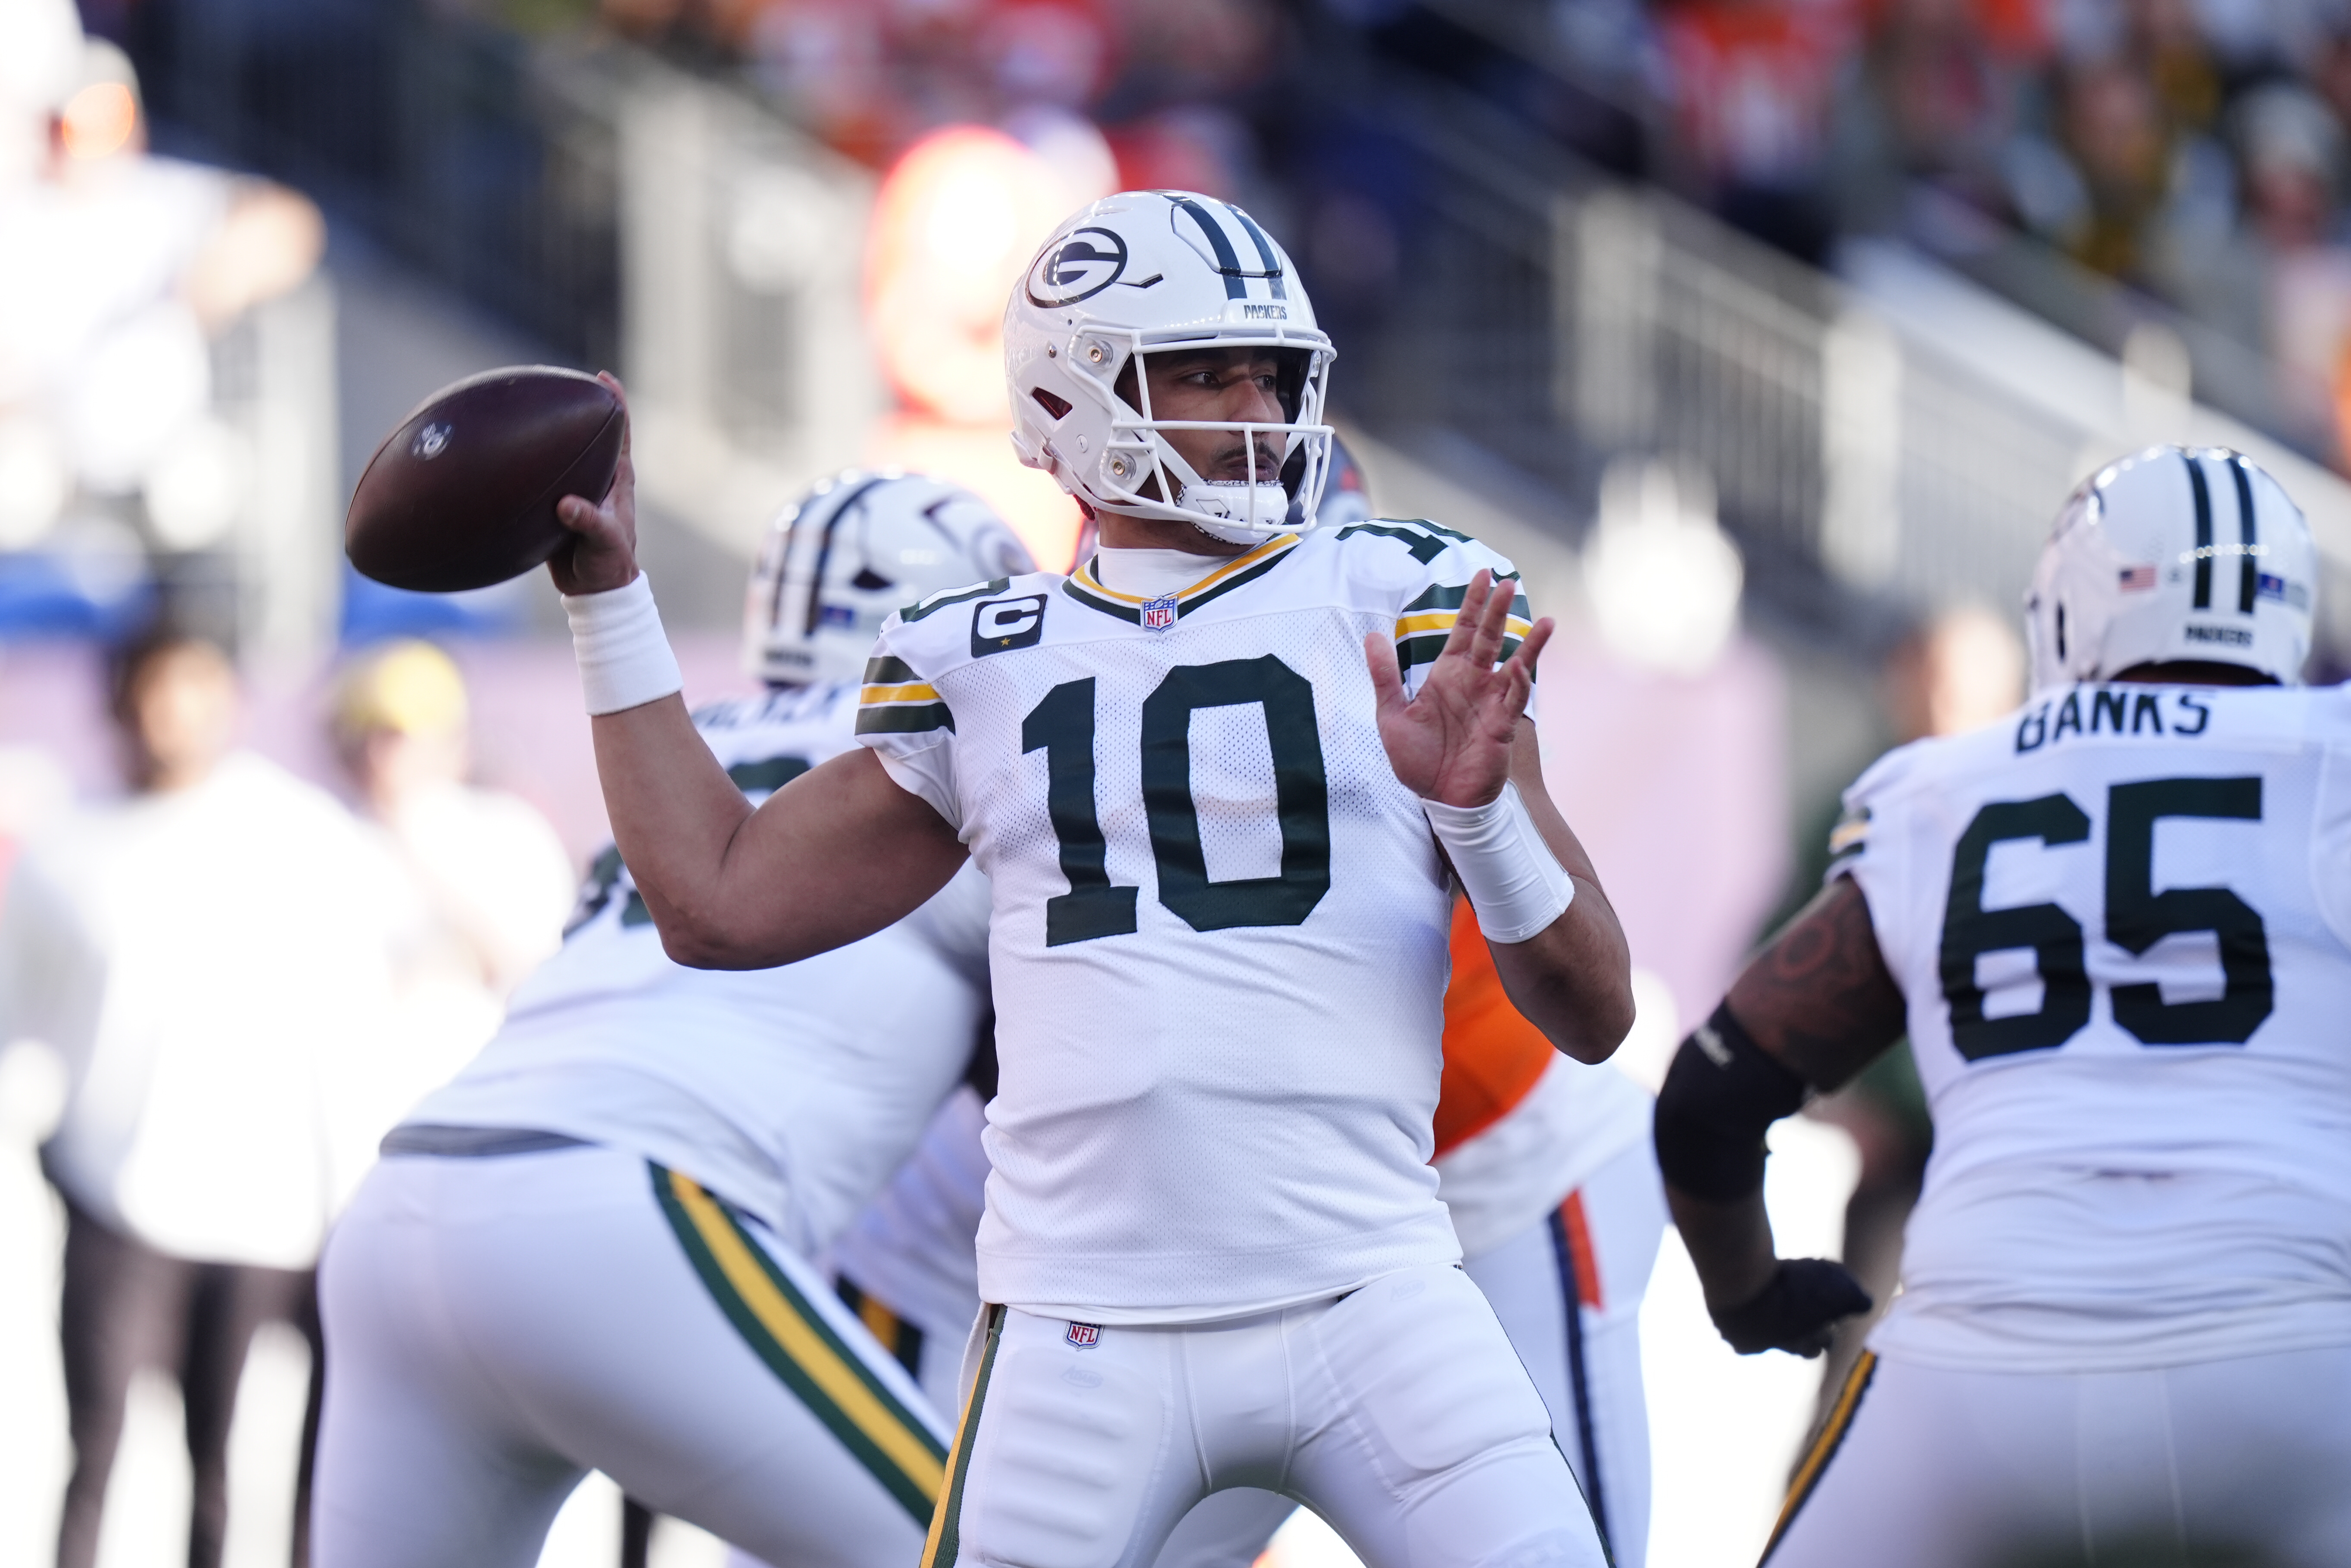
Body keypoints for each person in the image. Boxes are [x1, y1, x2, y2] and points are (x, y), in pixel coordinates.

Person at [548, 190, 1636, 1568]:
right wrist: (609, 604)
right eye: (1205, 369)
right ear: (1073, 390)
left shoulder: (1404, 592)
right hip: (1079, 1331)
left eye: (1275, 368)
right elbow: (716, 903)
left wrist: (1478, 821)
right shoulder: (979, 653)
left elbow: (1594, 1013)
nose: (1258, 404)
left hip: (1373, 1289)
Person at [829, 445, 1668, 1568]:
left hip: (1492, 1178)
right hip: (1244, 1259)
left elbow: (1579, 985)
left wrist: (1479, 821)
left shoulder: (1400, 678)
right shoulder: (1069, 689)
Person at [309, 471, 1032, 1568]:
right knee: (998, 1556)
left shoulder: (691, 741)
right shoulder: (956, 755)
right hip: (625, 1212)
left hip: (403, 1205)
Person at [1653, 445, 2351, 1567]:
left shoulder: (1948, 790)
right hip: (2296, 1379)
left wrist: (1752, 1300)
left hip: (1980, 1385)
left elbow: (1707, 1101)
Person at [0, 626, 407, 1568]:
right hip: (118, 1196)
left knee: (228, 1463)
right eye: (154, 693)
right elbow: (22, 1025)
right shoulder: (68, 850)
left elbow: (367, 1002)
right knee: (97, 1449)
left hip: (266, 1209)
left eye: (194, 691)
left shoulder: (301, 834)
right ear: (117, 706)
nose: (172, 716)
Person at [328, 638, 575, 1138]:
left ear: (456, 741)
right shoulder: (329, 844)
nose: (382, 756)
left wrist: (416, 837)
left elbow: (544, 979)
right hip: (363, 1135)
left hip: (489, 1118)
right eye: (370, 735)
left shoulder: (510, 834)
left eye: (401, 735)